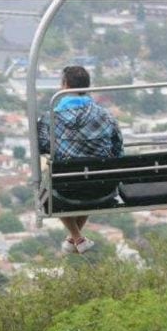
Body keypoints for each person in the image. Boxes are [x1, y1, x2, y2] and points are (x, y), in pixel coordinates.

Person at [37, 65, 123, 254]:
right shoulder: (106, 115)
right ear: (86, 87)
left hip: (66, 189)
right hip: (102, 187)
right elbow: (118, 149)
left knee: (55, 179)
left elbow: (42, 147)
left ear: (65, 85)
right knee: (91, 173)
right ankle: (75, 239)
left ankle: (76, 238)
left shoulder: (50, 117)